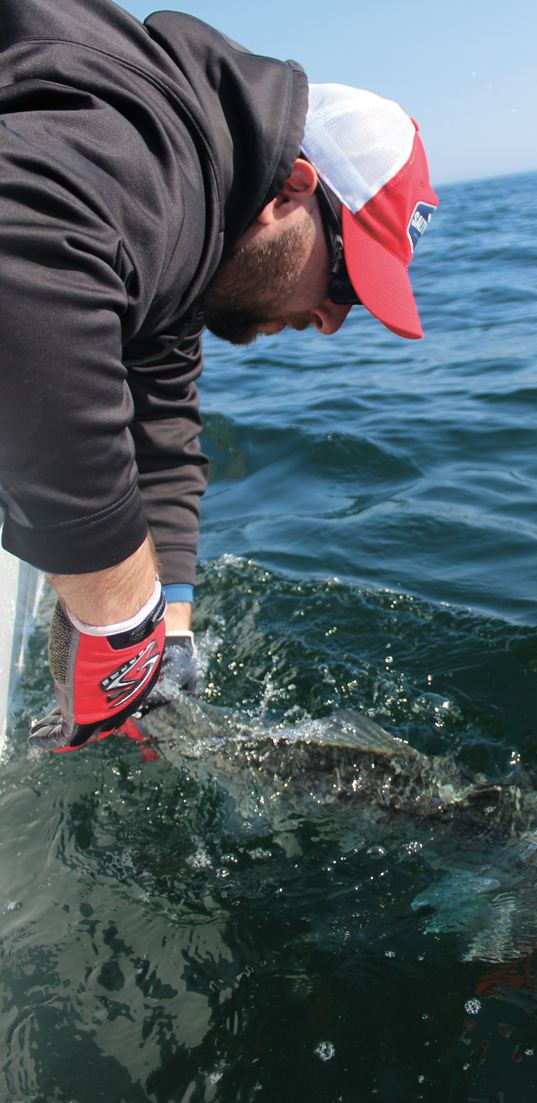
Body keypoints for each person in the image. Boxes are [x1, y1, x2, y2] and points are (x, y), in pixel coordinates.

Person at [0, 0, 438, 752]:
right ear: (289, 191)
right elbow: (25, 273)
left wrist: (168, 631)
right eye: (342, 282)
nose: (332, 320)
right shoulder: (151, 150)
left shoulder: (193, 248)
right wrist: (119, 622)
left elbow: (165, 441)